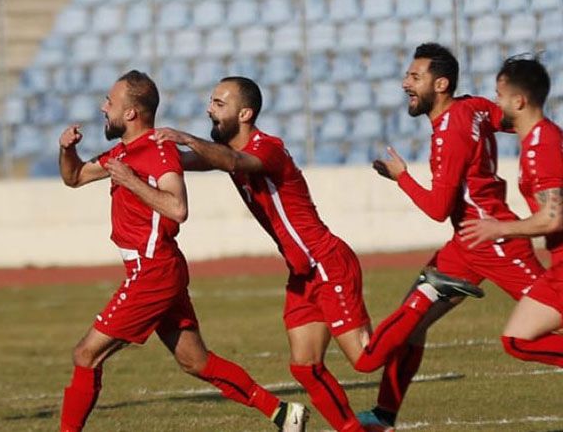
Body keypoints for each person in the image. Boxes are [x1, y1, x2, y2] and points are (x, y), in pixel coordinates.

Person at [154, 76, 482, 432]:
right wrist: (146, 154)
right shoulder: (230, 151)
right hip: (302, 274)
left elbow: (231, 160)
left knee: (365, 360)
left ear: (245, 113)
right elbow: (196, 161)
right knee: (305, 366)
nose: (209, 109)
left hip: (326, 263)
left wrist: (186, 138)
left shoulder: (267, 148)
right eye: (211, 102)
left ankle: (427, 292)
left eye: (219, 104)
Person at [57, 70, 308, 432]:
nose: (103, 107)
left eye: (110, 102)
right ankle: (284, 414)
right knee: (196, 361)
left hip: (153, 270)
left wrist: (130, 181)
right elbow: (75, 177)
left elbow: (178, 208)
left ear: (131, 113)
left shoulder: (159, 152)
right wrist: (67, 150)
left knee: (85, 354)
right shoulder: (122, 151)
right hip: (157, 270)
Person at [361, 43, 545, 430]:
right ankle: (383, 414)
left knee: (550, 313)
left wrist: (402, 178)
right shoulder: (474, 106)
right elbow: (511, 118)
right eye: (407, 75)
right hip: (465, 244)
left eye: (415, 77)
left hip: (494, 240)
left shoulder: (450, 133)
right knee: (411, 324)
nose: (405, 83)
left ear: (440, 83)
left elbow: (437, 208)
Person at [460, 56, 563, 368]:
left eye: (499, 96)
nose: (496, 103)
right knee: (517, 339)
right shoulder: (543, 137)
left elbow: (553, 216)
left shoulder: (540, 147)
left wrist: (499, 229)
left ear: (518, 101)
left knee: (519, 339)